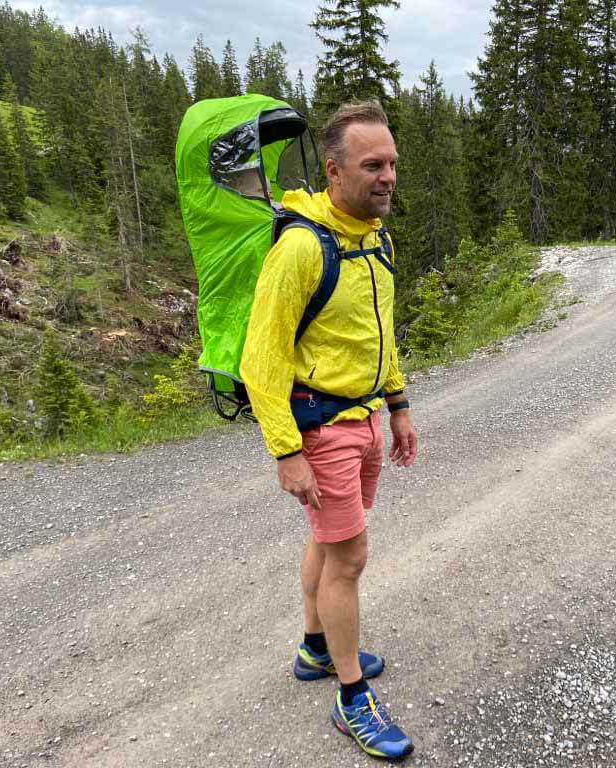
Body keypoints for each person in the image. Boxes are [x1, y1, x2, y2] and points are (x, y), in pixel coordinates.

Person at [239, 100, 418, 760]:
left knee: (329, 540)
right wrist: (287, 450)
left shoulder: (376, 239)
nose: (388, 176)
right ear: (335, 171)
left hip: (365, 416)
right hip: (320, 427)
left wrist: (397, 406)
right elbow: (262, 358)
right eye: (373, 165)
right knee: (350, 557)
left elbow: (380, 333)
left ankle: (315, 649)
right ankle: (351, 700)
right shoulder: (299, 248)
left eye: (393, 163)